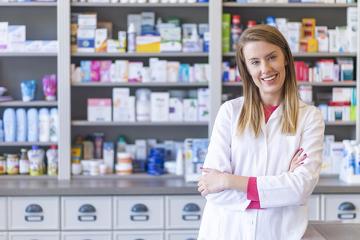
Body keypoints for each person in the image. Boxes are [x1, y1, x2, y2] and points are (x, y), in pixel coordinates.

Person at [197, 25, 324, 240]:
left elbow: (300, 189)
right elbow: (213, 188)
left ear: (285, 58)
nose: (265, 69)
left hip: (279, 234)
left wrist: (229, 181)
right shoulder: (230, 112)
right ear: (246, 68)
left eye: (271, 57)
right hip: (226, 232)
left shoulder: (310, 117)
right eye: (255, 62)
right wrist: (279, 187)